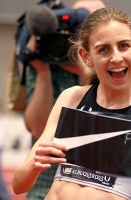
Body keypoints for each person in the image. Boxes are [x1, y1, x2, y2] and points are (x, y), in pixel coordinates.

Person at [12, 7, 131, 200]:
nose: (116, 58)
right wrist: (34, 164)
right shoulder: (71, 99)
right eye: (103, 49)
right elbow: (18, 185)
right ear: (86, 56)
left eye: (123, 46)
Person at [20, 1, 106, 199]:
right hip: (46, 190)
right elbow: (38, 129)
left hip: (98, 192)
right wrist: (42, 70)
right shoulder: (48, 62)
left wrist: (85, 72)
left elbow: (113, 120)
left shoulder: (118, 71)